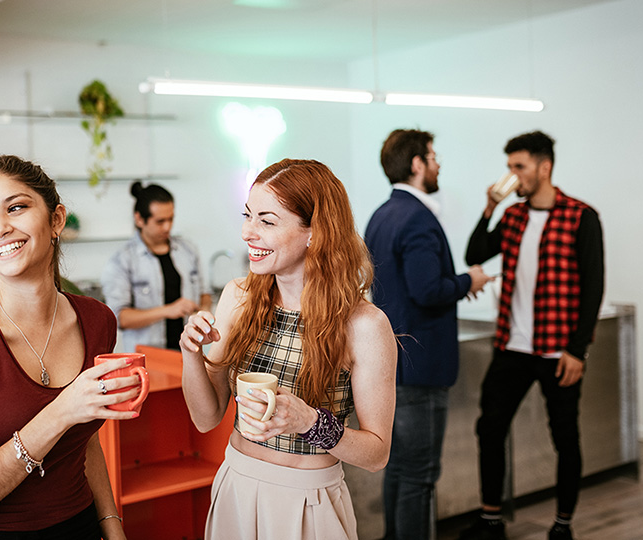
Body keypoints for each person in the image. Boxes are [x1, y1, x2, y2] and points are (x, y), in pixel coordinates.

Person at [0, 155, 140, 540]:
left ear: (56, 220)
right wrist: (60, 412)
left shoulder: (98, 320)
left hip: (78, 527)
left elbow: (83, 443)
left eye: (16, 208)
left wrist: (111, 524)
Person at [179, 159, 397, 540]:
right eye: (248, 216)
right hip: (236, 484)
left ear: (314, 232)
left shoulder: (364, 325)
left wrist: (310, 423)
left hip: (307, 501)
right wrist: (191, 353)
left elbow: (377, 454)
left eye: (267, 221)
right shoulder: (239, 297)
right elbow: (205, 417)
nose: (248, 232)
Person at [460, 131, 605, 540]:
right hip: (512, 347)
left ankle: (562, 525)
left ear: (545, 167)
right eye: (509, 167)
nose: (512, 175)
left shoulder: (581, 216)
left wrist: (578, 351)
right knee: (490, 428)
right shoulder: (513, 216)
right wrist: (490, 207)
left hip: (559, 352)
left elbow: (594, 286)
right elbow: (474, 255)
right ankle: (491, 519)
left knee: (564, 436)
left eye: (518, 167)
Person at [365, 129, 492, 540]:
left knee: (398, 465)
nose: (438, 164)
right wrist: (467, 280)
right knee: (420, 476)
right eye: (433, 156)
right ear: (417, 164)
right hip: (421, 365)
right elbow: (426, 289)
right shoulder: (418, 217)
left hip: (391, 363)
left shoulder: (381, 215)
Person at [101, 181, 212, 353]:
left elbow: (204, 294)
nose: (167, 227)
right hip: (148, 356)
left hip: (189, 352)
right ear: (139, 219)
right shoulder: (122, 260)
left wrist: (203, 312)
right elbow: (119, 318)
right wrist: (168, 310)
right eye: (160, 221)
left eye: (171, 219)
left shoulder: (188, 250)